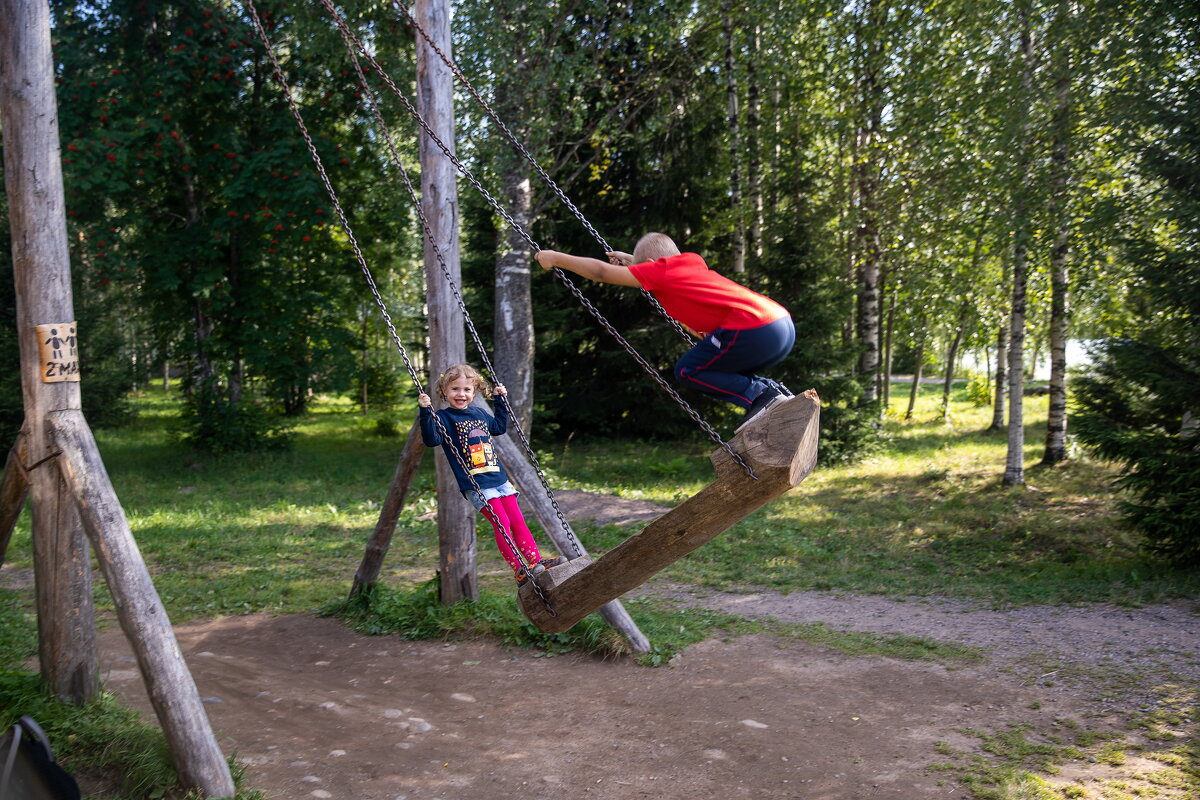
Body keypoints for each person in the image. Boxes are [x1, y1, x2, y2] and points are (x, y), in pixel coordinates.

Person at [535, 232, 795, 425]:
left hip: (753, 327)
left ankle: (762, 395)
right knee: (721, 366)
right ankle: (777, 395)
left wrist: (556, 258)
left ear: (651, 263)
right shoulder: (689, 264)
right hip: (779, 324)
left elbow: (602, 272)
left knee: (689, 369)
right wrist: (632, 261)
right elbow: (659, 269)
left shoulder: (662, 272)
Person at [418, 364, 563, 585]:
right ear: (444, 391)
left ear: (474, 391)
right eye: (455, 389)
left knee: (518, 521)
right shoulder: (443, 417)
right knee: (502, 522)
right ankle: (519, 569)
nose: (461, 394)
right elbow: (432, 440)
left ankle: (535, 563)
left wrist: (500, 401)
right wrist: (425, 412)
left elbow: (498, 427)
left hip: (499, 479)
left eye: (467, 389)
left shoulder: (479, 413)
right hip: (476, 483)